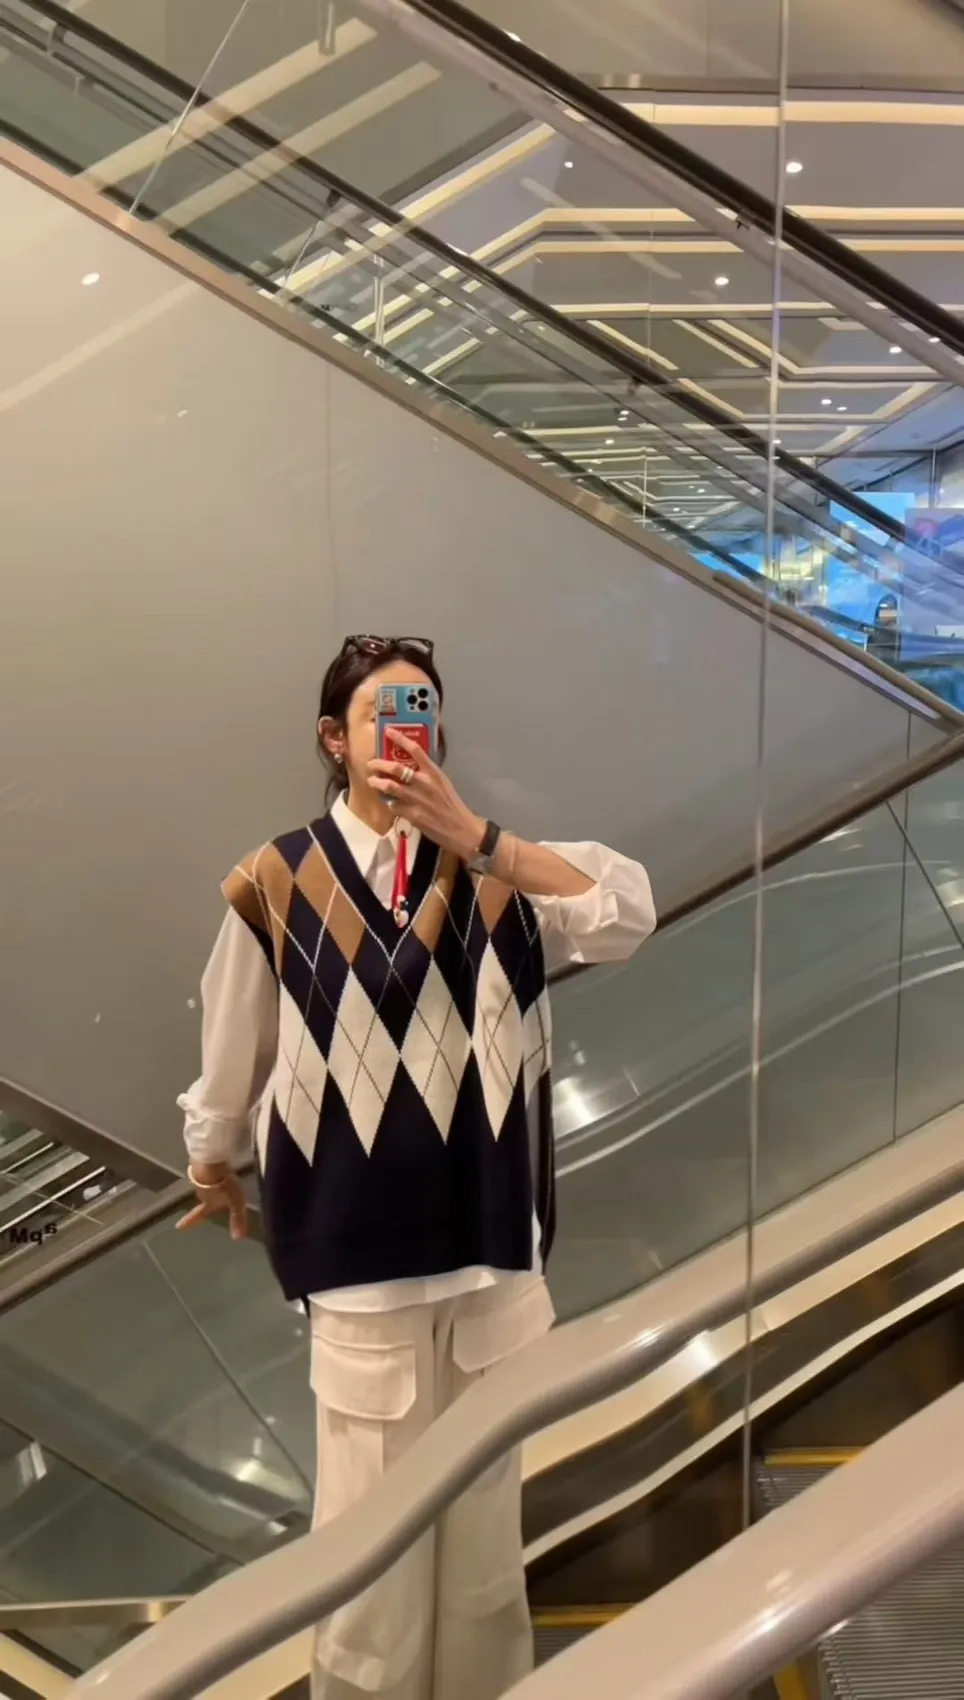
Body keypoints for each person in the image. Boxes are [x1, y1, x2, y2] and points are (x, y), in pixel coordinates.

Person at [177, 634, 656, 1700]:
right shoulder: (275, 880)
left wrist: (481, 839)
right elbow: (233, 1043)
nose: (408, 732)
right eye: (384, 714)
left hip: (492, 1263)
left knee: (484, 1563)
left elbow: (626, 911)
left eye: (423, 711)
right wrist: (212, 1161)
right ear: (333, 739)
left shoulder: (499, 870)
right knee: (367, 1574)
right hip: (361, 1271)